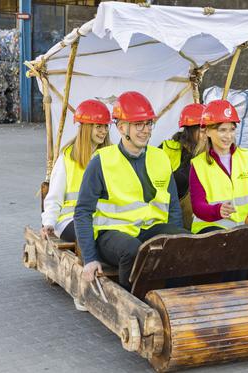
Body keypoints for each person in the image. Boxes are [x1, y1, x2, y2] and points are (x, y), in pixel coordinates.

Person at [74, 91, 189, 290]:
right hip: (112, 235)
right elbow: (82, 212)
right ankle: (132, 301)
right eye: (138, 125)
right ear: (121, 127)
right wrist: (90, 259)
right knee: (133, 250)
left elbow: (172, 206)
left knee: (184, 242)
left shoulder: (160, 158)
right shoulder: (102, 161)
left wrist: (175, 239)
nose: (146, 130)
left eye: (149, 123)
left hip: (150, 228)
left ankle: (172, 298)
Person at [189, 99, 248, 235]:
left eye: (232, 129)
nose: (228, 136)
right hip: (211, 226)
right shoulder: (198, 164)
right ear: (207, 131)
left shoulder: (247, 156)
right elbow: (198, 206)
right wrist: (217, 211)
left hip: (245, 225)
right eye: (222, 130)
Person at [41, 99, 111, 242]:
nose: (103, 131)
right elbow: (55, 197)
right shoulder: (67, 157)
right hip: (69, 220)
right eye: (99, 126)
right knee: (92, 236)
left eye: (106, 126)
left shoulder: (110, 156)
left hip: (101, 219)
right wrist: (49, 222)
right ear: (86, 128)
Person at [159, 103, 205, 229]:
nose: (207, 135)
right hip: (171, 218)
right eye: (202, 130)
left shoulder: (212, 154)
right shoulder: (167, 149)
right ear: (190, 130)